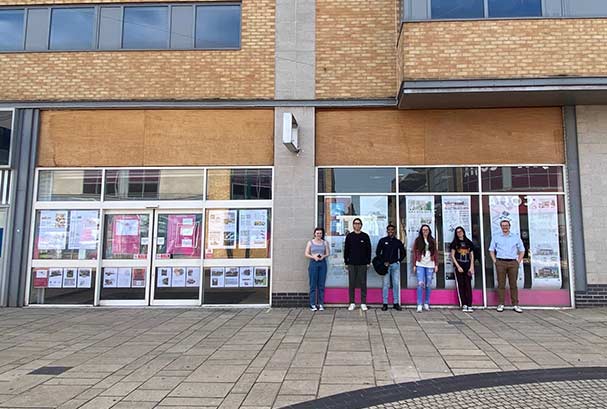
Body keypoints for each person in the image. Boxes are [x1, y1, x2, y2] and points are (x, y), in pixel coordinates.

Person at [489, 220, 525, 313]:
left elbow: (522, 250)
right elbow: (491, 250)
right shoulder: (496, 237)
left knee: (513, 284)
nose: (505, 227)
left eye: (506, 225)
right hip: (500, 262)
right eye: (503, 225)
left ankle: (515, 304)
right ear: (500, 227)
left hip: (513, 263)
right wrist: (495, 261)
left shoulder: (515, 237)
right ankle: (501, 304)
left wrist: (518, 261)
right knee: (501, 284)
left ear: (510, 226)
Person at [344, 217, 371, 311]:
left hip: (363, 264)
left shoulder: (365, 236)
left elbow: (369, 250)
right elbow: (346, 250)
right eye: (355, 223)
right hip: (351, 263)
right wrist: (346, 262)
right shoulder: (349, 236)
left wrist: (368, 262)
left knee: (363, 283)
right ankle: (352, 302)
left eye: (359, 223)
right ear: (353, 225)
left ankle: (363, 302)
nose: (357, 225)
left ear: (361, 225)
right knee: (352, 283)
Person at [376, 224, 406, 311]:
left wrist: (398, 261)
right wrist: (383, 261)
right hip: (386, 266)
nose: (390, 231)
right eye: (389, 230)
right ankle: (385, 303)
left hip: (395, 265)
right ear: (387, 231)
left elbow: (403, 253)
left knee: (396, 284)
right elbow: (378, 252)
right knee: (386, 284)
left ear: (394, 231)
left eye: (392, 230)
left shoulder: (398, 242)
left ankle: (395, 303)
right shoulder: (382, 241)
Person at [413, 224, 438, 313]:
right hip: (420, 263)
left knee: (428, 284)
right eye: (423, 230)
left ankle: (426, 302)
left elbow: (435, 252)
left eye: (426, 230)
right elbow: (414, 253)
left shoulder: (432, 240)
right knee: (420, 283)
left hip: (430, 264)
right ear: (421, 231)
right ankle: (419, 304)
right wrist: (414, 265)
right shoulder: (418, 240)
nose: (425, 231)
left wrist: (436, 264)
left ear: (429, 231)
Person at [450, 226, 475, 312]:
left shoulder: (469, 243)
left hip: (467, 265)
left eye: (460, 231)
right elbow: (452, 256)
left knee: (468, 285)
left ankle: (469, 304)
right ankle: (464, 304)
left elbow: (472, 255)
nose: (459, 233)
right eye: (457, 232)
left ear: (463, 232)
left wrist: (471, 266)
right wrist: (458, 266)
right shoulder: (455, 243)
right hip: (459, 265)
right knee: (461, 285)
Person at [305, 227, 330, 311]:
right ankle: (312, 304)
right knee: (313, 284)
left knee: (321, 285)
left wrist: (323, 256)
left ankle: (320, 304)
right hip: (313, 263)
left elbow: (327, 253)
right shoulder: (310, 242)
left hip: (322, 264)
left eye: (320, 233)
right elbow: (306, 253)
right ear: (314, 234)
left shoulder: (325, 243)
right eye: (317, 233)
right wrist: (313, 257)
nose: (319, 235)